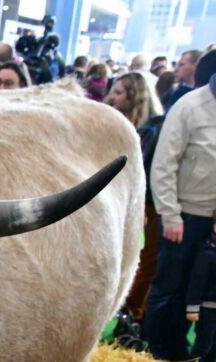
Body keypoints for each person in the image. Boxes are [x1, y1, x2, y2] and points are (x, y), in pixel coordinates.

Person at [143, 66, 216, 361]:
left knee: (204, 293)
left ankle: (194, 354)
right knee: (171, 287)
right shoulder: (190, 106)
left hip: (212, 221)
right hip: (184, 215)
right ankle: (160, 351)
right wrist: (170, 215)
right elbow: (163, 165)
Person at [106, 72, 164, 323]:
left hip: (146, 203)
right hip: (129, 200)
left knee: (141, 261)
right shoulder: (118, 125)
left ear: (134, 97)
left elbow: (140, 171)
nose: (112, 98)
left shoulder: (148, 131)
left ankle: (131, 313)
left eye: (118, 93)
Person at [186, 224, 216, 362]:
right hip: (208, 309)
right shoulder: (207, 255)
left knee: (213, 345)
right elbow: (196, 283)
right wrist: (193, 308)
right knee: (204, 343)